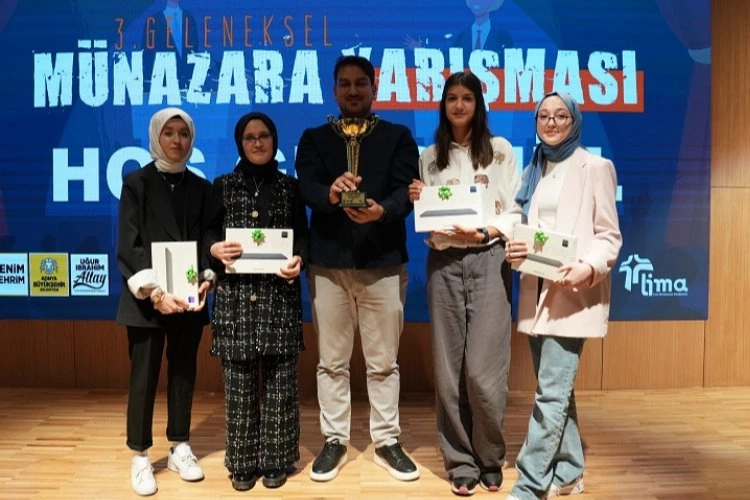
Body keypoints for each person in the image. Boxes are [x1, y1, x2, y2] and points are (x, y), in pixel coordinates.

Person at [295, 55, 420, 482]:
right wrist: (330, 194)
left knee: (383, 362)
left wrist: (381, 210)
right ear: (334, 90)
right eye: (345, 84)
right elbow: (306, 187)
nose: (353, 91)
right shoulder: (314, 138)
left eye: (360, 83)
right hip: (328, 264)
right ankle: (335, 440)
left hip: (382, 263)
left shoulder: (398, 136)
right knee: (331, 362)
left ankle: (386, 441)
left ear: (374, 87)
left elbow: (407, 191)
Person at [408, 71, 521, 496]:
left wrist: (487, 232)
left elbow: (515, 209)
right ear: (443, 104)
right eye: (452, 98)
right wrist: (419, 200)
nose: (459, 105)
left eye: (467, 98)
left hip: (490, 258)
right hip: (444, 262)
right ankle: (460, 462)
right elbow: (428, 220)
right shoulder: (429, 156)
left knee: (483, 372)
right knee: (449, 370)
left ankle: (490, 457)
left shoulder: (500, 151)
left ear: (478, 104)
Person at [504, 92, 622, 500]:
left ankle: (529, 483)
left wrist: (588, 267)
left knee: (550, 393)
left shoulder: (596, 167)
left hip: (573, 295)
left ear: (574, 122)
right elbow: (521, 224)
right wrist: (514, 246)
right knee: (557, 389)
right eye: (544, 116)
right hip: (536, 294)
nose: (551, 123)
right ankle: (570, 472)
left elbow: (609, 236)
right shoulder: (533, 168)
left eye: (560, 116)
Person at [203, 112, 309, 491]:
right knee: (239, 385)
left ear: (275, 140)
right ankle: (243, 463)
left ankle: (277, 460)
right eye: (250, 137)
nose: (258, 142)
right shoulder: (223, 185)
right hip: (235, 299)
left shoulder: (290, 187)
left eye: (264, 135)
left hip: (279, 296)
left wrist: (299, 259)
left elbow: (302, 236)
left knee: (281, 383)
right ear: (240, 143)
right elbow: (207, 233)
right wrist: (214, 248)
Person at [116, 107, 213, 496]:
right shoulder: (136, 183)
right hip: (148, 300)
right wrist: (155, 292)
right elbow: (129, 244)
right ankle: (140, 455)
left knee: (184, 372)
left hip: (188, 299)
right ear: (156, 136)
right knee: (143, 377)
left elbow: (207, 239)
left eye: (183, 133)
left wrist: (206, 278)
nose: (177, 140)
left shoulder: (201, 187)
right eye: (169, 133)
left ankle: (180, 446)